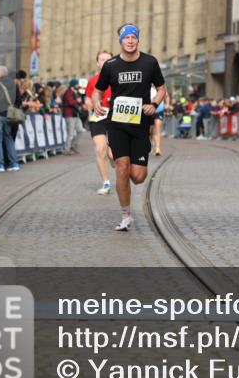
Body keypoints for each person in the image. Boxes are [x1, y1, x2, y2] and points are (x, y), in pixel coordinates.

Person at [93, 24, 165, 231]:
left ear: (138, 40)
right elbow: (98, 90)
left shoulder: (149, 62)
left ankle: (123, 163)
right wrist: (97, 102)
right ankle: (125, 215)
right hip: (117, 123)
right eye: (127, 38)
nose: (130, 41)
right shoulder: (111, 65)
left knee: (138, 176)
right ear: (121, 41)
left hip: (141, 124)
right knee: (123, 170)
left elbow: (161, 89)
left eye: (134, 37)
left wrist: (154, 104)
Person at [85, 50, 114, 195]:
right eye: (102, 59)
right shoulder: (92, 81)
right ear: (98, 63)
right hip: (98, 117)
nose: (105, 62)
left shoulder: (118, 79)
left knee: (113, 153)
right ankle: (106, 183)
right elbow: (87, 98)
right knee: (100, 149)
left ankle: (113, 155)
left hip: (115, 117)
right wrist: (89, 103)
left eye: (108, 59)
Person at [62, 78, 83, 154]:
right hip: (69, 114)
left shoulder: (75, 92)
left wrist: (80, 102)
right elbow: (71, 102)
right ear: (73, 85)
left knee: (80, 130)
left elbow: (78, 101)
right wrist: (77, 101)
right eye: (77, 84)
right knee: (70, 133)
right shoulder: (68, 92)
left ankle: (73, 146)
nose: (78, 86)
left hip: (75, 114)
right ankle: (66, 149)